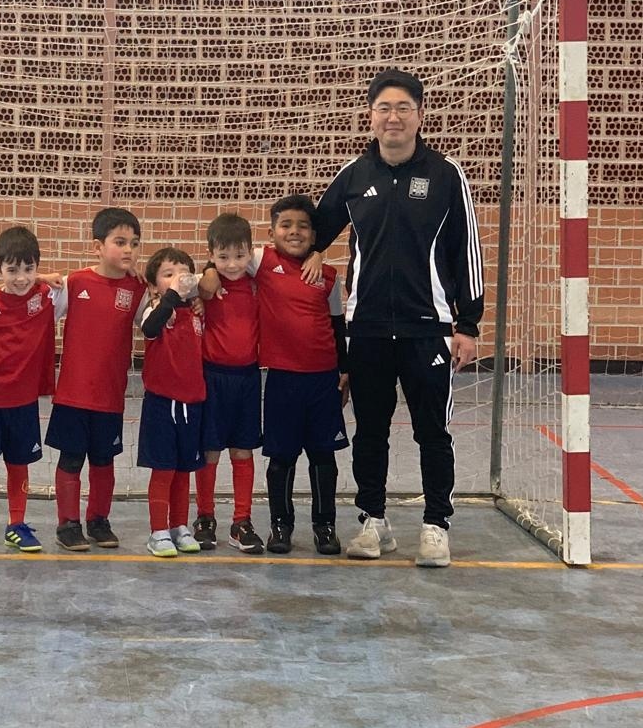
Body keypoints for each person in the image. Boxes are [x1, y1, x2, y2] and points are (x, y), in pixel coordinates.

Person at [311, 68, 484, 568]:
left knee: (433, 431)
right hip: (365, 331)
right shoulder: (353, 176)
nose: (393, 117)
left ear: (419, 115)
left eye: (403, 108)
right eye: (383, 108)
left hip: (427, 329)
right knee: (370, 430)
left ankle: (435, 525)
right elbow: (312, 232)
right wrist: (311, 251)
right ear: (370, 117)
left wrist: (467, 325)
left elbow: (465, 253)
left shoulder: (447, 175)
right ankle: (373, 522)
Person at [45, 207, 147, 552]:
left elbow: (158, 318)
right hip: (73, 395)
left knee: (104, 461)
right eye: (120, 242)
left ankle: (98, 520)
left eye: (134, 243)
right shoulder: (74, 284)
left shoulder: (137, 288)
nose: (128, 250)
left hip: (110, 396)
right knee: (71, 459)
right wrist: (43, 281)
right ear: (97, 247)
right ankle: (67, 523)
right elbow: (36, 304)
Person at [255, 195, 349, 556]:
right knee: (281, 457)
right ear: (272, 231)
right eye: (286, 225)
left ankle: (325, 526)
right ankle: (281, 524)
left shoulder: (326, 275)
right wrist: (211, 273)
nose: (294, 232)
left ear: (314, 235)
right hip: (282, 379)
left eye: (303, 226)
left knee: (324, 457)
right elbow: (224, 257)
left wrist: (344, 370)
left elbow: (337, 324)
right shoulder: (262, 261)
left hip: (322, 380)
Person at [0, 226, 60, 557]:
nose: (21, 278)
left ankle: (16, 525)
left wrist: (43, 276)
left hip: (25, 401)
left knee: (20, 465)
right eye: (12, 269)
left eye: (29, 269)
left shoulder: (46, 296)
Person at [193, 213, 265, 554]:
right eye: (222, 258)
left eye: (239, 256)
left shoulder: (257, 283)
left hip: (248, 378)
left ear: (250, 253)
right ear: (211, 255)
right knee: (209, 451)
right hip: (212, 378)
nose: (232, 264)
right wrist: (206, 272)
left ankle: (242, 520)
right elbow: (172, 279)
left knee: (242, 449)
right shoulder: (203, 287)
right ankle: (205, 517)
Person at [138, 248, 207, 558]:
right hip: (161, 404)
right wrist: (170, 297)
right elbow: (149, 329)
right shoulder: (155, 310)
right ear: (154, 285)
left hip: (192, 404)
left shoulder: (196, 313)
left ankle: (179, 525)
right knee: (163, 469)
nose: (177, 279)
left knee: (183, 470)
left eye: (183, 273)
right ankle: (158, 531)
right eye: (168, 274)